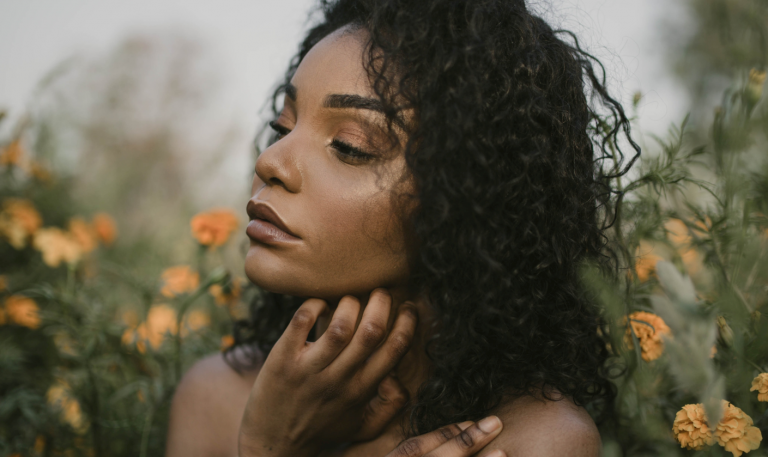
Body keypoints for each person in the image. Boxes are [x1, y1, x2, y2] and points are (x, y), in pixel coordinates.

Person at [166, 0, 638, 455]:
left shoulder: (528, 440)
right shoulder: (216, 400)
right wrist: (266, 449)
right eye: (283, 125)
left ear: (468, 197)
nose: (270, 160)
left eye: (350, 146)